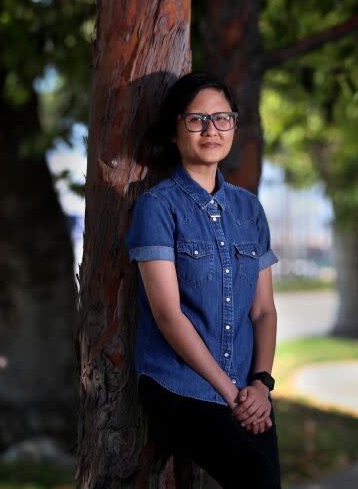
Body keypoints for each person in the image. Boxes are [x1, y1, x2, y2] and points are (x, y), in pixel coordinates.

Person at [125, 71, 281, 488]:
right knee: (256, 480)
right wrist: (233, 396)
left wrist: (261, 385)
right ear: (175, 130)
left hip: (248, 390)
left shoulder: (250, 210)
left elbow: (263, 310)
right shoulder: (157, 208)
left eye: (222, 118)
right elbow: (167, 315)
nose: (211, 130)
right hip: (179, 385)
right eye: (197, 119)